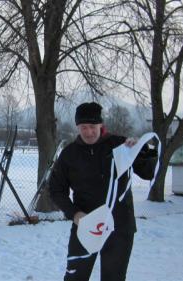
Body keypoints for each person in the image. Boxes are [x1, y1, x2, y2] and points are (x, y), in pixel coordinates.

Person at [48, 102, 157, 281]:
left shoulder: (120, 146)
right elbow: (56, 189)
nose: (88, 132)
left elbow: (148, 173)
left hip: (119, 227)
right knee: (76, 277)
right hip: (85, 225)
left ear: (101, 125)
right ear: (77, 127)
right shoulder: (69, 154)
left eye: (92, 126)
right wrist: (75, 214)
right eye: (83, 127)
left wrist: (142, 150)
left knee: (113, 278)